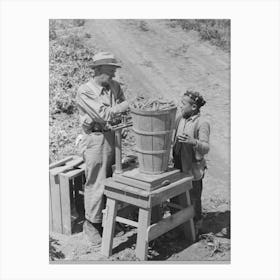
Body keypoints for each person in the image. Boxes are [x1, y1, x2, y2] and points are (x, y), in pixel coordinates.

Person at [76, 52, 129, 246]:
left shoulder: (114, 86)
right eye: (110, 71)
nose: (114, 75)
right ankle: (91, 225)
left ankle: (108, 219)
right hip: (96, 139)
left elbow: (123, 107)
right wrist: (123, 107)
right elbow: (103, 114)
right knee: (96, 182)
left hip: (113, 136)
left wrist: (121, 114)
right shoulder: (85, 91)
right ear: (97, 70)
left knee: (113, 178)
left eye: (114, 71)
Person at [172, 90, 210, 234]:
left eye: (183, 104)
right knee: (177, 197)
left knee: (194, 197)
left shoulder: (202, 123)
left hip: (193, 167)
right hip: (178, 164)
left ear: (194, 107)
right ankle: (179, 225)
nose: (180, 106)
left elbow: (206, 148)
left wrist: (193, 141)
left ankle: (196, 226)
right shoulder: (180, 118)